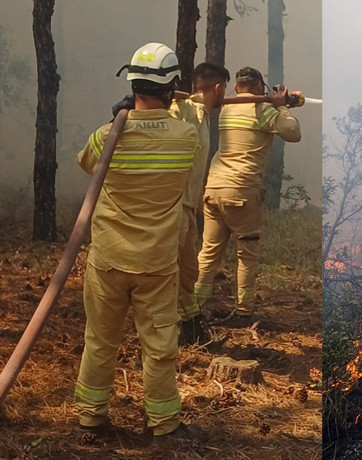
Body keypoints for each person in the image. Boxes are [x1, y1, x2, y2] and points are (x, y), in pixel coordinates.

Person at [74, 42, 201, 439]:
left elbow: (86, 162)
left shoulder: (106, 135)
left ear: (131, 86)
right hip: (156, 264)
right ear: (172, 87)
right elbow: (177, 129)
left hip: (108, 259)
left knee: (99, 341)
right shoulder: (186, 139)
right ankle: (163, 423)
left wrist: (119, 121)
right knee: (160, 346)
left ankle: (90, 418)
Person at [193, 66, 301, 319]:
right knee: (247, 253)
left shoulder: (227, 107)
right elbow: (293, 132)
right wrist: (282, 106)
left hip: (214, 188)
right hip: (242, 191)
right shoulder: (262, 109)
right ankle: (244, 311)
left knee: (208, 253)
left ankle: (194, 308)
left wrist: (275, 104)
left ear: (236, 88)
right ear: (258, 87)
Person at [168, 63, 230, 345]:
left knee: (188, 271)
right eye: (223, 90)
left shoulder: (202, 115)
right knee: (169, 270)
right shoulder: (184, 110)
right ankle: (160, 335)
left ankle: (191, 325)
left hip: (189, 207)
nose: (224, 97)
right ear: (217, 88)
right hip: (174, 205)